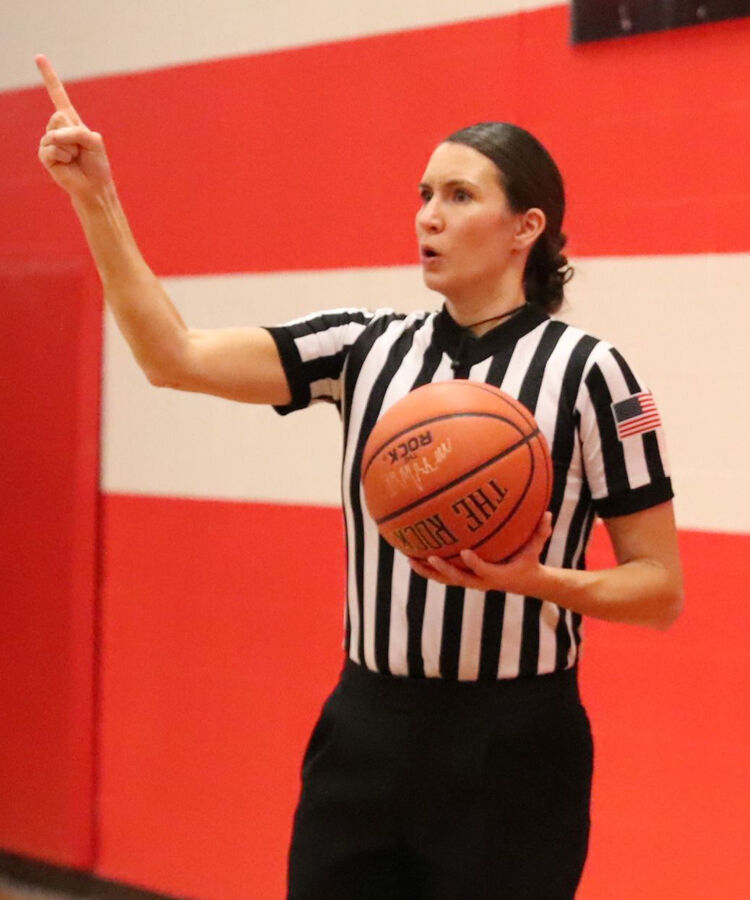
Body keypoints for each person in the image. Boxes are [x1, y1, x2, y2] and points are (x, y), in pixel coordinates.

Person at [37, 54, 683, 900]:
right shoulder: (364, 344)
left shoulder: (594, 373)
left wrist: (538, 582)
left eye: (459, 196)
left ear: (525, 227)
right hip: (368, 727)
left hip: (516, 742)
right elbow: (174, 357)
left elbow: (658, 588)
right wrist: (97, 198)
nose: (429, 217)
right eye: (424, 195)